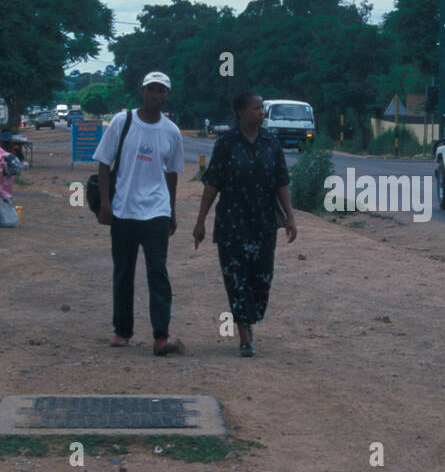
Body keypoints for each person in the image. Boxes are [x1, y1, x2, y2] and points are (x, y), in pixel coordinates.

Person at [193, 92, 297, 357]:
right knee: (237, 280)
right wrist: (201, 220)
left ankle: (250, 319)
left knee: (261, 279)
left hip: (264, 223)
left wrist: (290, 218)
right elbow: (212, 184)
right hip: (232, 225)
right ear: (241, 113)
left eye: (263, 108)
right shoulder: (226, 144)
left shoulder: (270, 142)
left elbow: (281, 182)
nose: (261, 112)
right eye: (256, 108)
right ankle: (243, 334)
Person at [94, 71, 185, 356]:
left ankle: (161, 335)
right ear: (142, 91)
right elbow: (103, 164)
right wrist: (106, 204)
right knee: (123, 272)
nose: (156, 96)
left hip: (156, 211)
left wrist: (171, 211)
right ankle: (122, 331)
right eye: (152, 90)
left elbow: (172, 174)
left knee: (158, 273)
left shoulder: (172, 131)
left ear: (167, 95)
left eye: (162, 91)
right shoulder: (123, 122)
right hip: (123, 210)